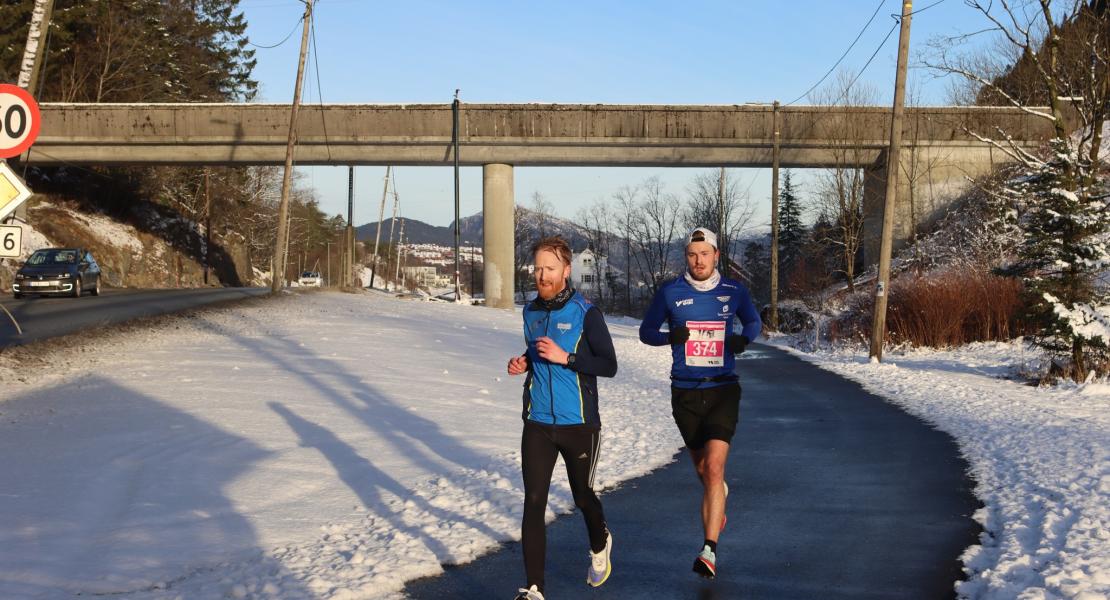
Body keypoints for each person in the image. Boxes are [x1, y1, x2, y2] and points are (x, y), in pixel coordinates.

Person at [638, 227, 761, 580]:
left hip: (723, 389)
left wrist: (743, 340)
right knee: (705, 473)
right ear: (686, 257)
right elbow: (646, 331)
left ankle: (709, 550)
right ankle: (716, 498)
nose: (698, 261)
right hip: (685, 393)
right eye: (692, 255)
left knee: (716, 468)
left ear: (716, 255)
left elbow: (753, 321)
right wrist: (668, 337)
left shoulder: (733, 291)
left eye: (704, 254)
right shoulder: (670, 293)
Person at [506, 236, 619, 600]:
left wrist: (566, 358)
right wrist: (524, 361)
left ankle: (600, 541)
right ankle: (534, 589)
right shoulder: (530, 312)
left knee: (583, 497)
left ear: (566, 271)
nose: (542, 275)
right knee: (534, 500)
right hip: (537, 422)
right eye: (537, 268)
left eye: (549, 269)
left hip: (579, 424)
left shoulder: (587, 313)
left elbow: (609, 365)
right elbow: (536, 347)